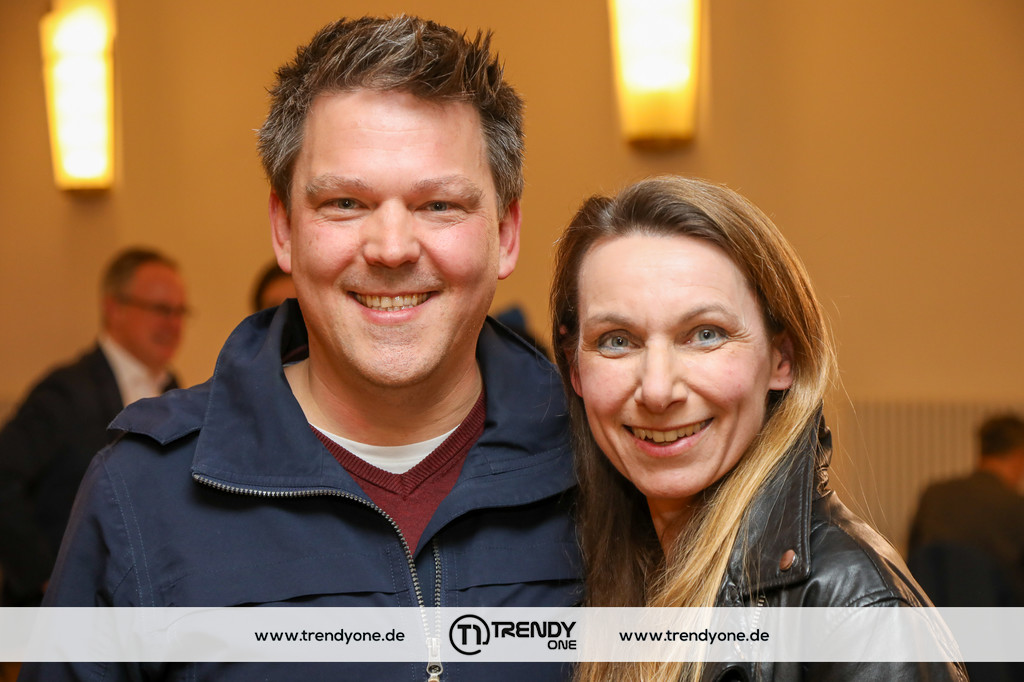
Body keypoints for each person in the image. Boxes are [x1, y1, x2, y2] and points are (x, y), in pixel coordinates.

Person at [23, 15, 580, 682]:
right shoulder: (141, 493)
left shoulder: (603, 470)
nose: (392, 248)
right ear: (284, 230)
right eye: (345, 203)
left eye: (439, 205)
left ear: (506, 234)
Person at [550, 176, 966, 682]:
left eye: (706, 335)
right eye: (617, 340)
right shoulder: (593, 571)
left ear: (781, 360)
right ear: (574, 369)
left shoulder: (852, 608)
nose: (657, 390)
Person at [0, 247, 185, 607]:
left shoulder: (174, 390)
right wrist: (45, 577)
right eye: (161, 309)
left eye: (180, 312)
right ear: (114, 308)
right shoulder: (66, 391)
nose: (174, 324)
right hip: (62, 612)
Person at [907, 414, 1024, 682]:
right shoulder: (1017, 509)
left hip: (930, 647)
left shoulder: (933, 496)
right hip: (998, 655)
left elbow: (910, 565)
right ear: (1019, 456)